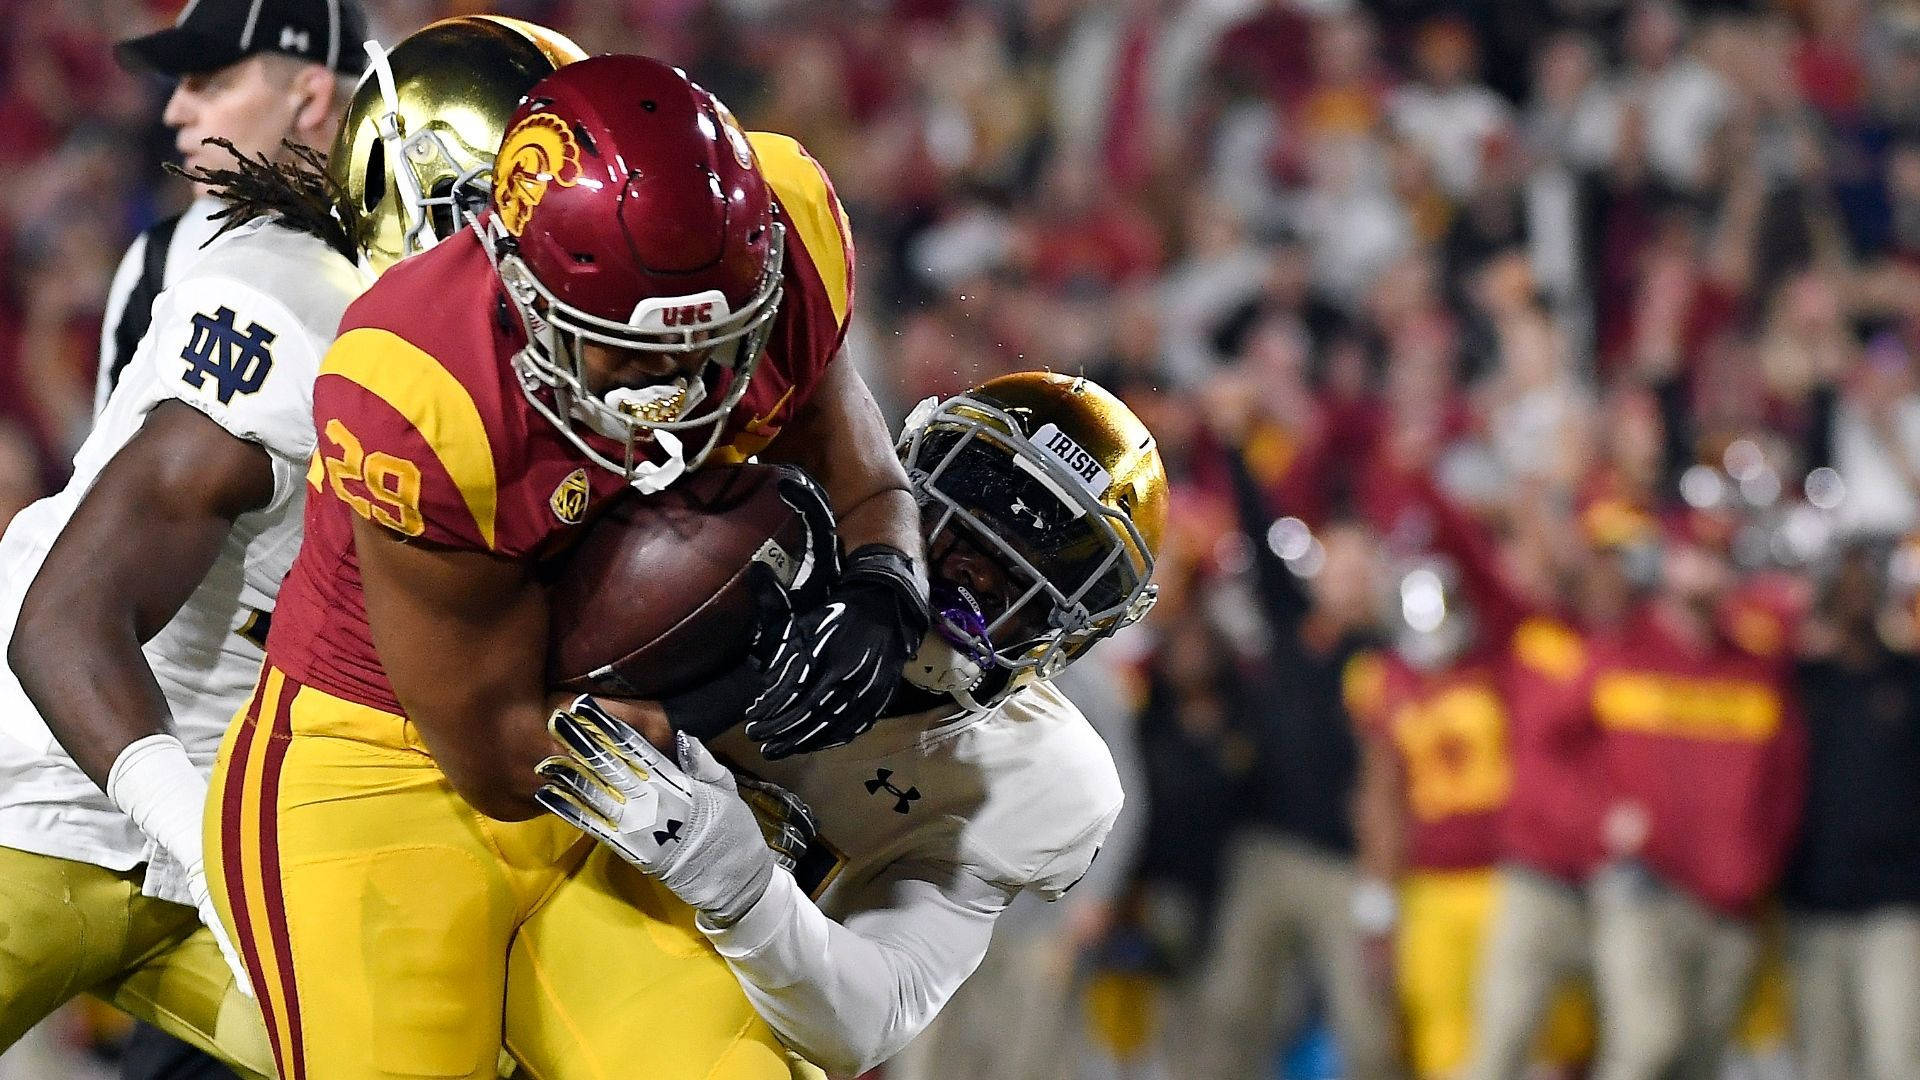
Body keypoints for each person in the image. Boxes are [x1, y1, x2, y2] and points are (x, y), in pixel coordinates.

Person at [209, 54, 931, 1079]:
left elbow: (868, 485)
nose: (673, 392)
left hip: (603, 770)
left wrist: (884, 584)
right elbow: (497, 756)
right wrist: (719, 686)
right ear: (518, 284)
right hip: (381, 766)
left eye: (709, 346)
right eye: (627, 356)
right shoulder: (421, 381)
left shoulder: (794, 233)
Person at [0, 15, 584, 1074]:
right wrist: (211, 852)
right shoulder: (295, 314)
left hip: (252, 815)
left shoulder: (495, 352)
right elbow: (63, 626)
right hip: (53, 794)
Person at [536, 372, 1163, 1077]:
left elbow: (868, 1019)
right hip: (535, 869)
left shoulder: (1041, 778)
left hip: (727, 998)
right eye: (975, 515)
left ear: (1072, 631)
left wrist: (737, 878)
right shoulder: (752, 530)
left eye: (1032, 567)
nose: (979, 574)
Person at [99, 0, 367, 414]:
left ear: (311, 97)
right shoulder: (163, 256)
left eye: (210, 81)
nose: (174, 112)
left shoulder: (418, 235)